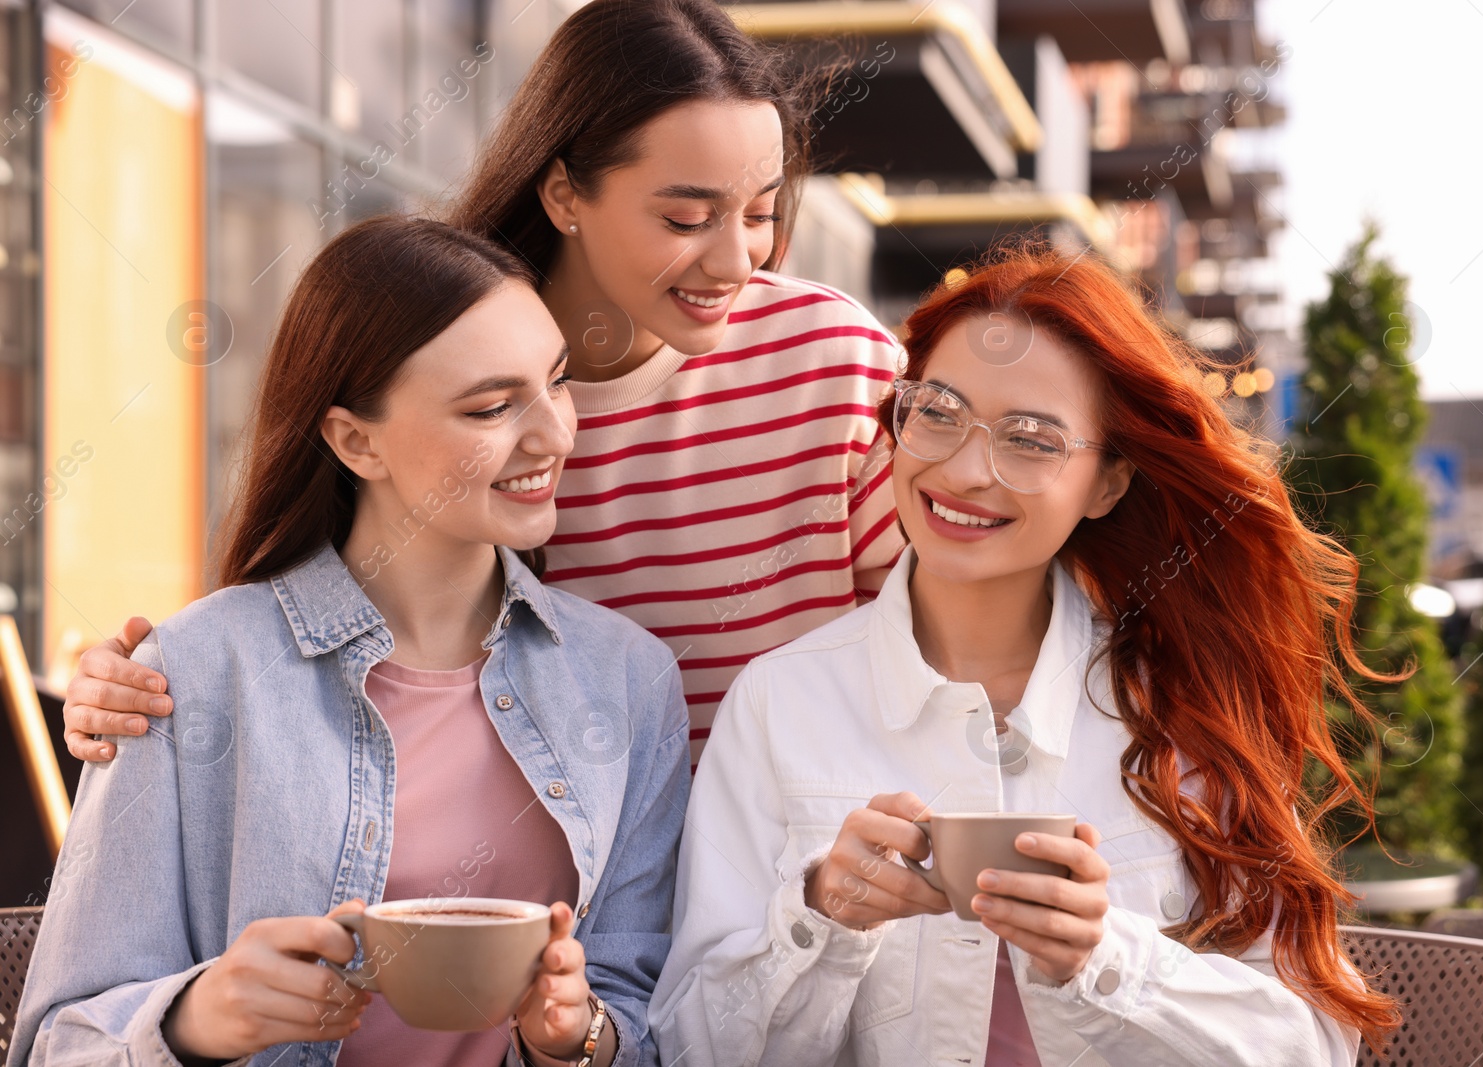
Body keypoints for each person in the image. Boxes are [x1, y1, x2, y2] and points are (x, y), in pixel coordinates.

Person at [59, 0, 903, 770]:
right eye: (684, 219)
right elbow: (322, 601)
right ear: (565, 191)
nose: (736, 262)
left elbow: (947, 648)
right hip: (544, 897)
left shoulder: (835, 365)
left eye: (760, 213)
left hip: (794, 900)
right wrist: (157, 686)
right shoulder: (437, 365)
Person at [649, 247, 1401, 1066]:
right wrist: (820, 914)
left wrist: (1106, 959)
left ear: (1108, 483)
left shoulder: (1181, 705)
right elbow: (689, 1047)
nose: (966, 472)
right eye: (937, 412)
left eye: (1032, 439)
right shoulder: (781, 701)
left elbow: (1315, 1044)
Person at [11, 216, 688, 1067]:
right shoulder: (189, 675)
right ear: (354, 440)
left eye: (556, 382)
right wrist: (196, 1018)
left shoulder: (627, 678)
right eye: (491, 406)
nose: (554, 434)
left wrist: (575, 1035)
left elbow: (645, 1013)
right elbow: (56, 1046)